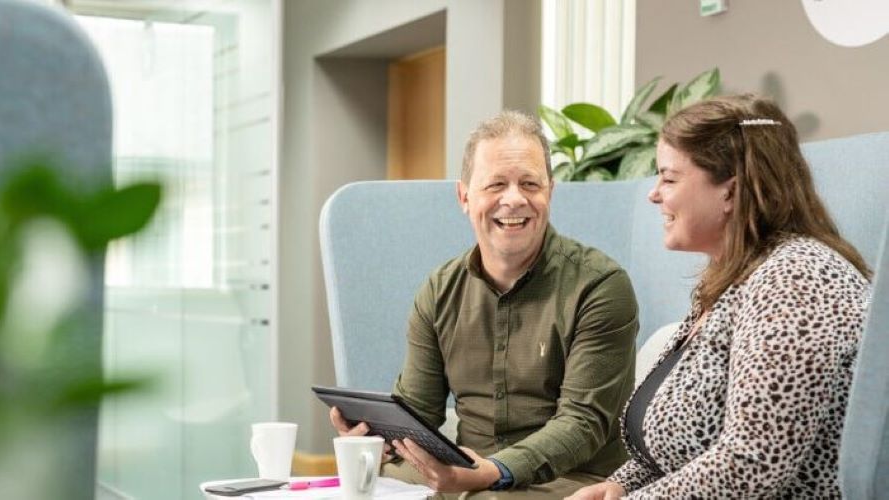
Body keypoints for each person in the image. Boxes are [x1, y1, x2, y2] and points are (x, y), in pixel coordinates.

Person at [567, 94, 873, 500]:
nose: (653, 194)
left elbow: (753, 464)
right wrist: (619, 485)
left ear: (731, 191)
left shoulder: (797, 281)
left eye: (669, 178)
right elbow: (684, 445)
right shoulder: (732, 279)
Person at [331, 110, 639, 498]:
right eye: (496, 184)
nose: (514, 199)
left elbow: (582, 425)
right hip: (462, 474)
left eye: (530, 183)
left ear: (550, 193)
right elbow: (418, 413)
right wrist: (377, 434)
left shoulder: (599, 286)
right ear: (464, 196)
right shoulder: (440, 291)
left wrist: (492, 471)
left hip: (570, 481)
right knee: (357, 490)